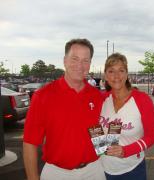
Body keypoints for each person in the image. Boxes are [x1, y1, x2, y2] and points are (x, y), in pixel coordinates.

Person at [23, 38, 106, 180]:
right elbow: (30, 142)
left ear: (90, 64)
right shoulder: (43, 96)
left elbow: (97, 131)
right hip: (57, 173)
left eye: (85, 60)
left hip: (94, 170)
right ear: (65, 61)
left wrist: (109, 148)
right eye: (75, 59)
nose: (80, 65)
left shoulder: (97, 96)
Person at [99, 53, 154, 180]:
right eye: (111, 71)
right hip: (102, 170)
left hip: (132, 170)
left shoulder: (142, 100)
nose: (116, 76)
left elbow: (151, 136)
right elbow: (95, 128)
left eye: (121, 70)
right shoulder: (102, 99)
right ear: (105, 75)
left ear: (127, 74)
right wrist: (103, 148)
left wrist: (126, 150)